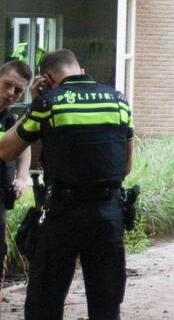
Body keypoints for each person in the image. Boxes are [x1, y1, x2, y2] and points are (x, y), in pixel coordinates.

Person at [0, 49, 133, 320]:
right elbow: (126, 166)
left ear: (47, 78)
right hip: (109, 214)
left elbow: (5, 151)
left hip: (64, 214)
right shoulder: (119, 101)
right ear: (81, 71)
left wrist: (36, 105)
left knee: (45, 301)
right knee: (106, 302)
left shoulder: (50, 103)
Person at [0, 60, 32, 266]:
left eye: (19, 90)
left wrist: (21, 176)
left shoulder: (10, 117)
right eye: (7, 85)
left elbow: (24, 144)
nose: (11, 92)